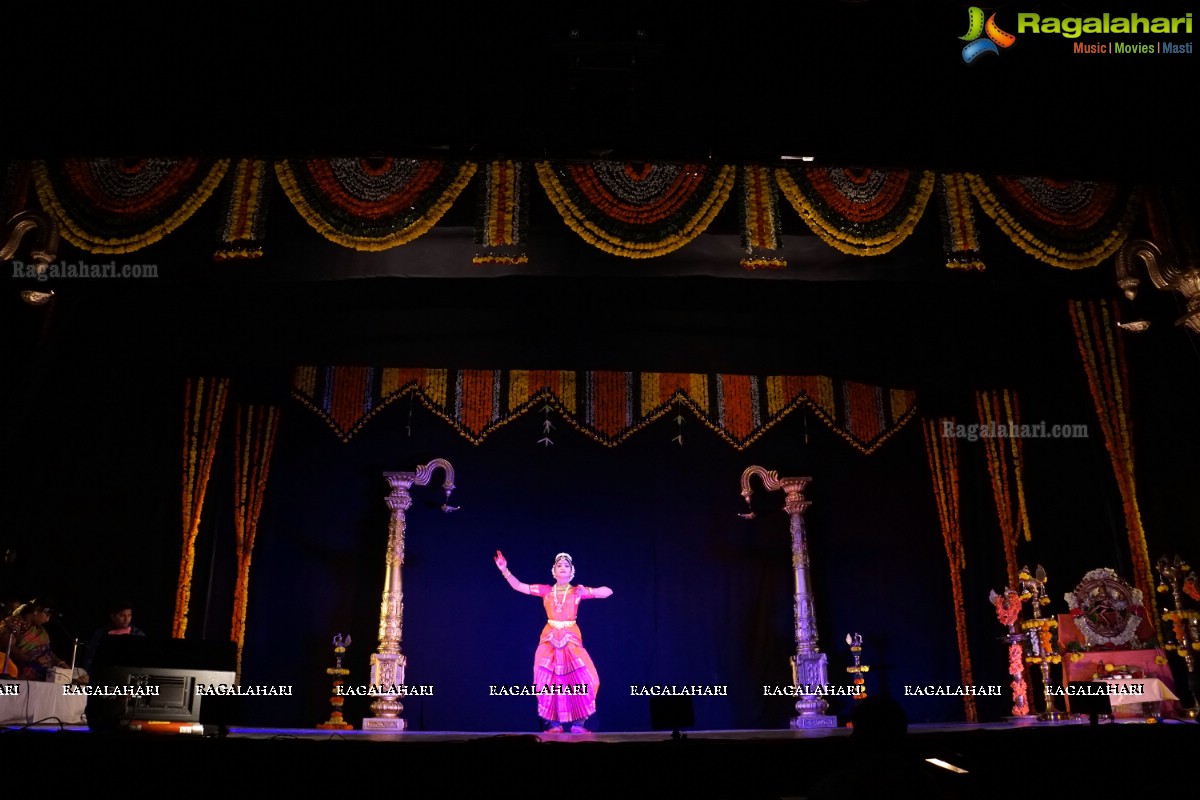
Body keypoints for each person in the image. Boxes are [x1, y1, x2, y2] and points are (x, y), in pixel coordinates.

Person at [494, 550, 613, 733]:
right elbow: (519, 586)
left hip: (571, 637)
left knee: (588, 679)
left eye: (567, 565)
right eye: (559, 565)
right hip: (549, 638)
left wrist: (590, 590)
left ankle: (578, 724)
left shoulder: (577, 591)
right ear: (554, 571)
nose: (563, 568)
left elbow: (608, 592)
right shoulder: (546, 591)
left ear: (572, 571)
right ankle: (554, 725)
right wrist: (505, 570)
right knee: (545, 680)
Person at [0, 598, 69, 680]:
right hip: (24, 673)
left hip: (48, 674)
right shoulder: (14, 622)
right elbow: (9, 647)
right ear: (36, 610)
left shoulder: (39, 629)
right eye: (47, 615)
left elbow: (47, 652)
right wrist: (32, 660)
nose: (47, 620)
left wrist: (60, 663)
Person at [83, 601, 146, 670]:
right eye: (122, 616)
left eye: (129, 615)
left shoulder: (138, 634)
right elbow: (90, 658)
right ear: (113, 617)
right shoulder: (101, 633)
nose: (126, 619)